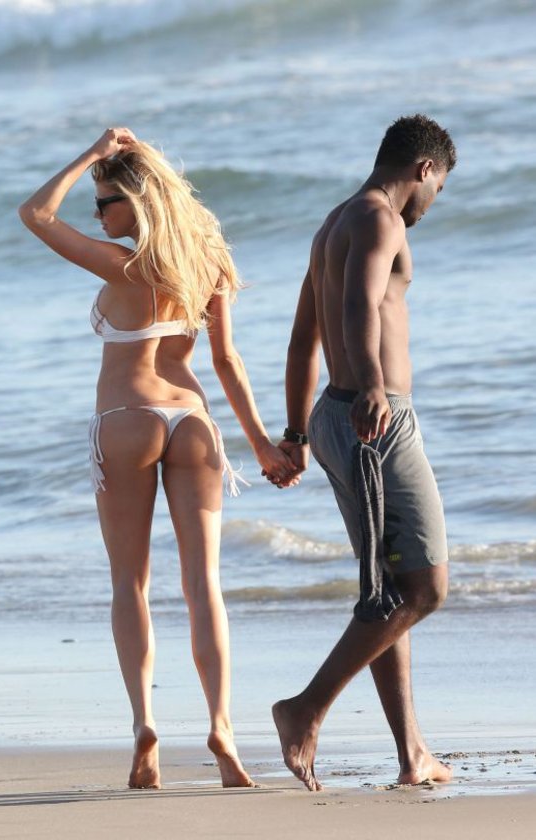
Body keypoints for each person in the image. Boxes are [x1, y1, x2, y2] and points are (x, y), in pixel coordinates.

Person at [19, 127, 296, 790]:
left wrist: (91, 154)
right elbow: (226, 361)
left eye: (104, 202)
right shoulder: (208, 260)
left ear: (136, 203)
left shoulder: (122, 265)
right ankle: (222, 727)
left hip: (126, 420)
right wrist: (262, 444)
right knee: (205, 586)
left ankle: (146, 726)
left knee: (130, 584)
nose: (97, 215)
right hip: (193, 422)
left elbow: (35, 214)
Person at [271, 114, 457, 791]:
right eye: (439, 187)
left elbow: (303, 339)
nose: (432, 203)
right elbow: (358, 306)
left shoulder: (333, 225)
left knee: (388, 589)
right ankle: (306, 707)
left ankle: (412, 755)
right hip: (374, 420)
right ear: (424, 169)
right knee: (426, 588)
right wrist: (375, 385)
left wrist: (296, 434)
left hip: (333, 417)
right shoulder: (381, 219)